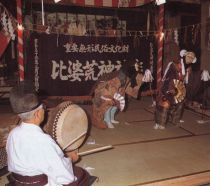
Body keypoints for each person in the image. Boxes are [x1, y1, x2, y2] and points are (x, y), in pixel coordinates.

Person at [6, 81, 96, 186]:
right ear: (37, 114)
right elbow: (63, 176)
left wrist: (61, 157)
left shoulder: (13, 133)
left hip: (18, 181)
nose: (45, 110)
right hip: (39, 183)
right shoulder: (43, 140)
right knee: (82, 175)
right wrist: (70, 159)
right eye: (44, 108)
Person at [154, 43, 197, 130]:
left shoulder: (187, 67)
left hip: (178, 89)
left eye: (191, 59)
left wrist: (187, 75)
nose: (189, 60)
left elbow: (184, 80)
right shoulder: (174, 64)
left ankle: (174, 120)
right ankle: (159, 123)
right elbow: (169, 77)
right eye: (189, 58)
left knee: (179, 103)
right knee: (164, 103)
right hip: (169, 86)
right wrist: (170, 88)